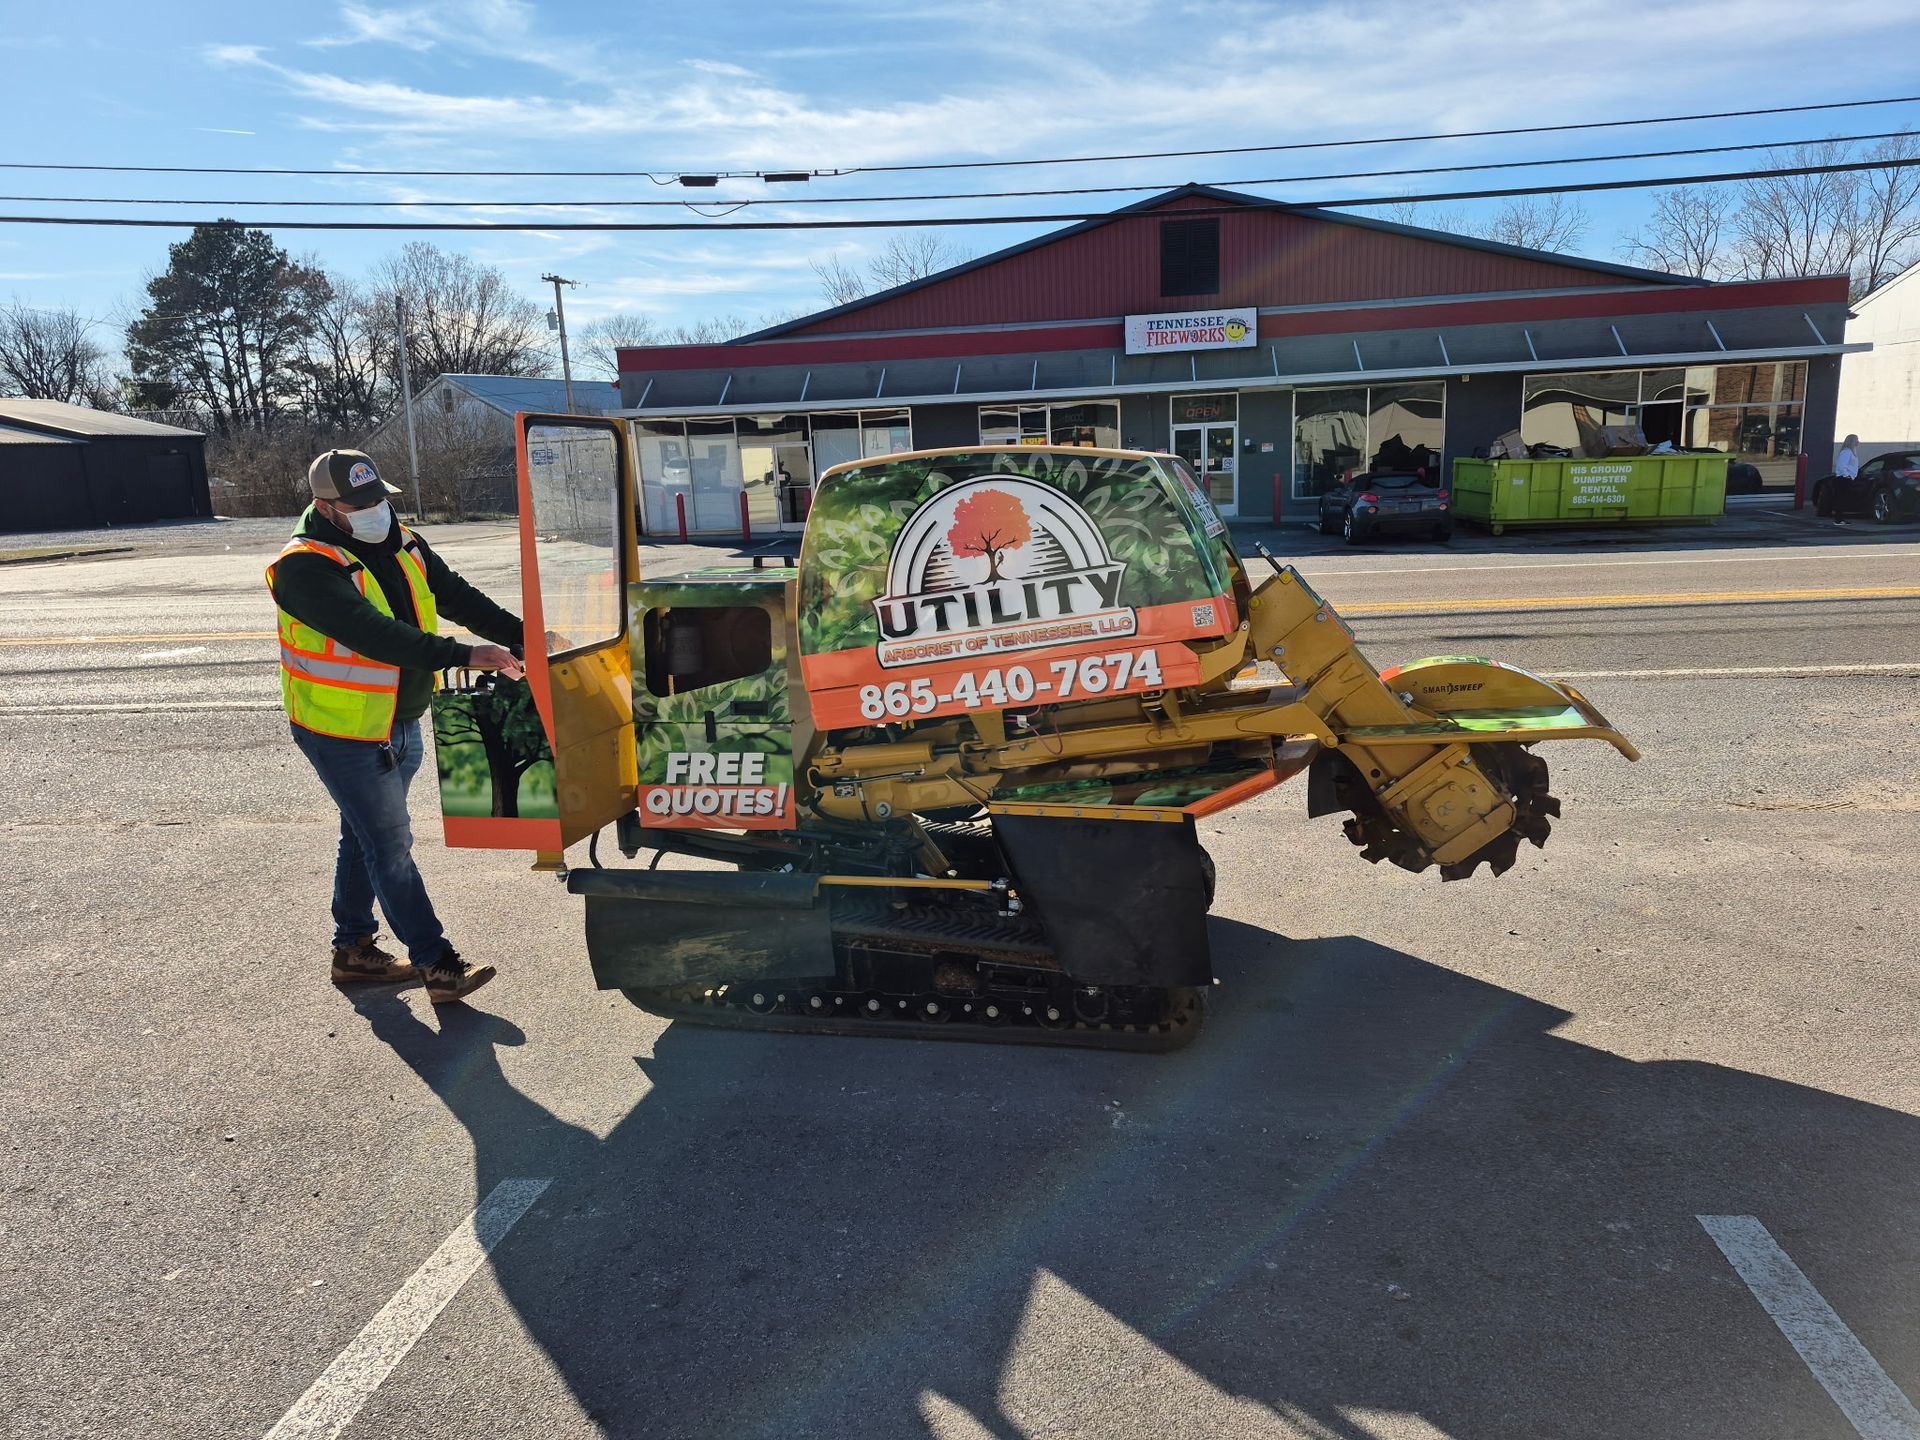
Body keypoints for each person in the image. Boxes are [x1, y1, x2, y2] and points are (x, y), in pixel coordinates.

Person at [266, 450, 526, 1004]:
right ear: (324, 507)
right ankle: (437, 964)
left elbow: (455, 595)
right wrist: (466, 655)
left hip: (402, 720)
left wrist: (523, 636)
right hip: (343, 731)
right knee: (390, 845)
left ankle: (353, 951)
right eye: (358, 504)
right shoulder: (303, 566)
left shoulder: (402, 540)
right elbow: (373, 633)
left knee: (362, 836)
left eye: (378, 498)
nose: (374, 511)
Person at [1831, 434, 1861, 526]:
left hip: (1848, 478)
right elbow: (1841, 465)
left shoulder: (1852, 452)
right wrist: (1847, 475)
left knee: (1843, 499)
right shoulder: (1847, 452)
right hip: (1843, 479)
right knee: (1841, 499)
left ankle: (1840, 518)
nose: (1858, 442)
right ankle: (1838, 519)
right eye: (1856, 440)